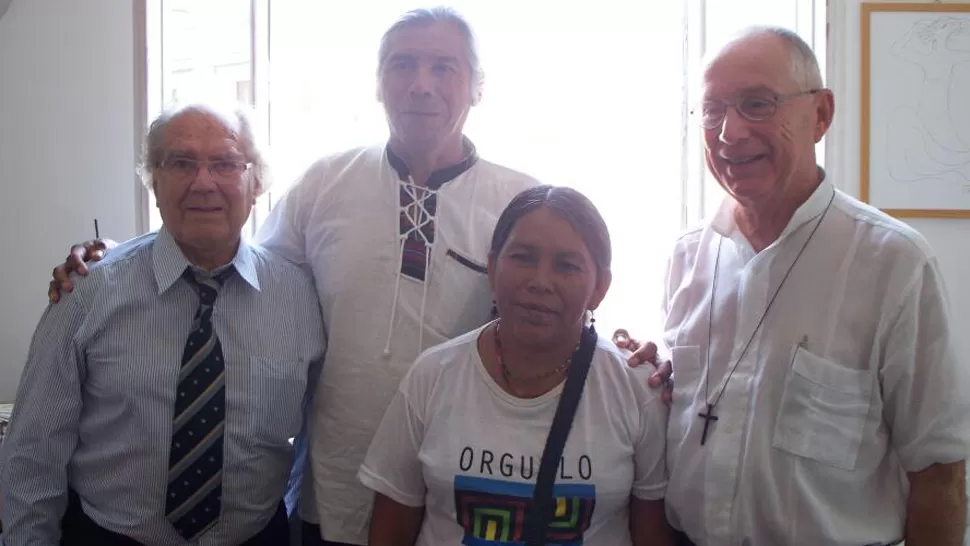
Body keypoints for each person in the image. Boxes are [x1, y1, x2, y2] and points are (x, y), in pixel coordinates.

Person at [43, 7, 665, 545]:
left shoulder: (520, 197)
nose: (421, 84)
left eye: (444, 67)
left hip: (472, 497)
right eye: (402, 64)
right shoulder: (325, 184)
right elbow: (232, 273)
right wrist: (117, 255)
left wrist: (625, 348)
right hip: (332, 493)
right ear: (378, 83)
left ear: (477, 85)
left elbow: (554, 310)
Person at [655, 26, 970, 545]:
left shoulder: (894, 264)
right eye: (713, 111)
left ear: (820, 115)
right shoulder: (687, 257)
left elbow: (939, 475)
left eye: (757, 104)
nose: (729, 133)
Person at [0, 103, 326, 545]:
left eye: (226, 163)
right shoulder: (87, 293)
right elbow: (33, 453)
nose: (203, 182)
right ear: (154, 181)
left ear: (256, 184)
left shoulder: (304, 299)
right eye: (181, 163)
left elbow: (319, 436)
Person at [359, 185, 674, 546]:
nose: (540, 282)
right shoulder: (432, 376)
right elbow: (392, 525)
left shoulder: (635, 390)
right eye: (523, 257)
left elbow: (653, 533)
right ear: (492, 268)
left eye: (566, 266)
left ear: (600, 286)